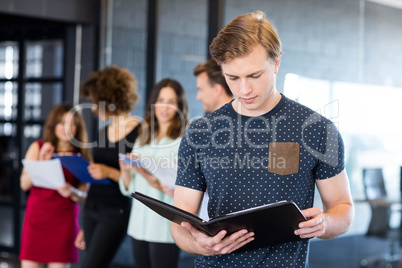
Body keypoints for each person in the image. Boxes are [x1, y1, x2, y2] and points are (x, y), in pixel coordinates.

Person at [170, 10, 354, 268]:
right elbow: (181, 224)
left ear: (277, 62)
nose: (244, 89)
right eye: (233, 78)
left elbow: (343, 209)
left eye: (254, 76)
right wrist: (198, 244)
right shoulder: (200, 133)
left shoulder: (316, 130)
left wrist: (325, 222)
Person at [119, 78, 188, 268]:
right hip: (138, 224)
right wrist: (126, 170)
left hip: (164, 227)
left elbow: (182, 184)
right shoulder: (143, 135)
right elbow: (129, 187)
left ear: (179, 106)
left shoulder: (184, 138)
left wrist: (149, 176)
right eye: (161, 100)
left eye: (171, 102)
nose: (164, 107)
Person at [77, 66, 140, 267]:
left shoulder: (139, 132)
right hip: (92, 208)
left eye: (95, 103)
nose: (94, 109)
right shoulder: (103, 132)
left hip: (115, 211)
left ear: (109, 99)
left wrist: (109, 172)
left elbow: (139, 183)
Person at [20, 103, 92, 268]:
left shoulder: (81, 155)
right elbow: (24, 184)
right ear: (53, 126)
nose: (66, 128)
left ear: (78, 128)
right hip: (36, 219)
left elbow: (84, 195)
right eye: (61, 122)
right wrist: (41, 162)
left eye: (72, 123)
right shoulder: (38, 147)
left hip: (63, 223)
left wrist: (71, 191)